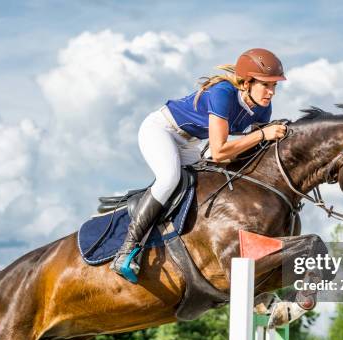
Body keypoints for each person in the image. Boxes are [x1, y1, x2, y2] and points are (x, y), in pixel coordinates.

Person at [111, 48, 288, 282]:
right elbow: (219, 150)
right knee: (169, 179)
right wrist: (263, 134)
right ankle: (126, 249)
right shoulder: (223, 93)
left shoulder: (263, 108)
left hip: (190, 143)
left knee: (206, 186)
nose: (271, 92)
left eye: (274, 86)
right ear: (246, 83)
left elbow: (245, 152)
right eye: (266, 85)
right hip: (161, 130)